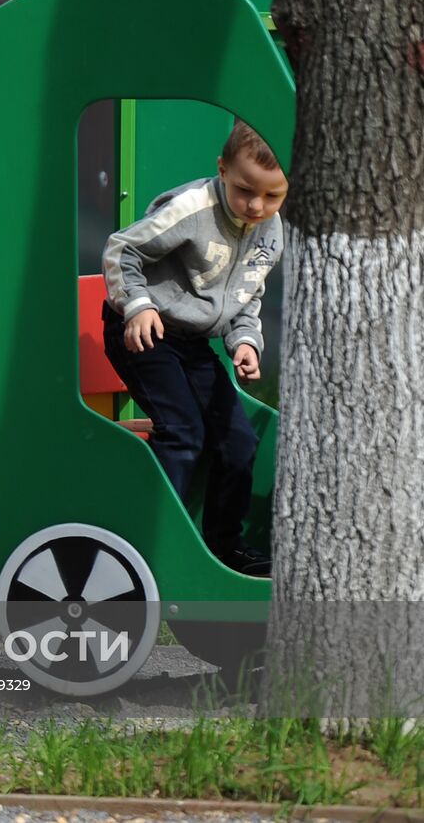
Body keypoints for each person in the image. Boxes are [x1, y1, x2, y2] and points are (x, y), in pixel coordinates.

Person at [102, 119, 287, 578]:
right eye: (245, 190)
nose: (256, 205)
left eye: (272, 196)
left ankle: (225, 548)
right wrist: (138, 306)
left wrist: (244, 341)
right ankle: (151, 543)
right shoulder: (192, 207)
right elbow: (122, 249)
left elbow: (247, 293)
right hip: (144, 330)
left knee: (239, 441)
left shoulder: (270, 230)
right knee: (183, 432)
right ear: (222, 169)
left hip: (193, 343)